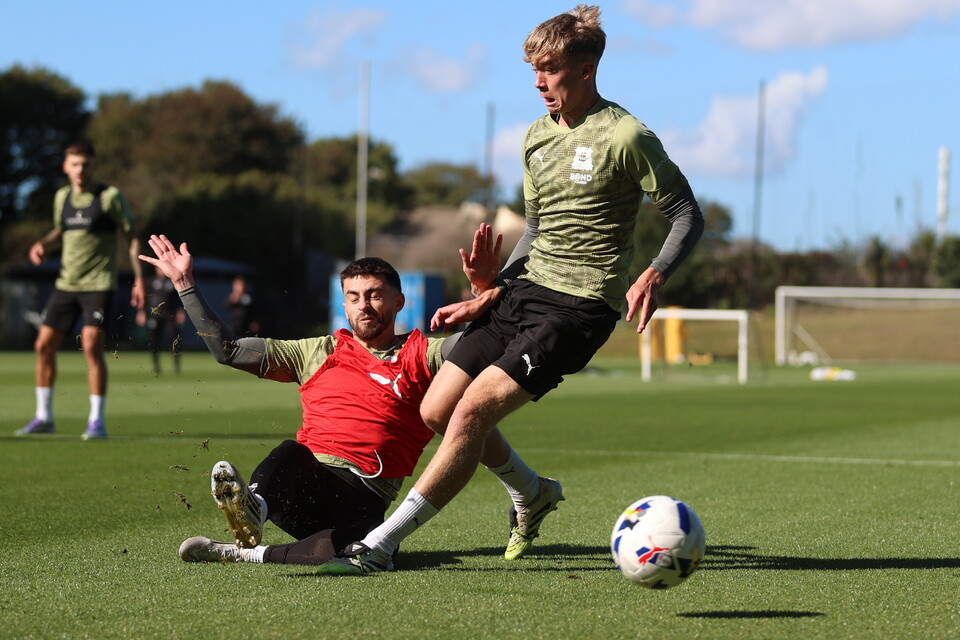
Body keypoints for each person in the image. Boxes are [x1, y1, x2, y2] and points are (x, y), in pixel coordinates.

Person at [318, 4, 704, 574]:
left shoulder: (626, 135)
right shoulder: (534, 138)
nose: (539, 82)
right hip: (523, 293)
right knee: (436, 410)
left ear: (587, 68)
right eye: (533, 70)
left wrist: (655, 271)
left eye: (549, 69)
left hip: (580, 305)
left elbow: (686, 213)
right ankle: (533, 491)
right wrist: (490, 291)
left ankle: (381, 543)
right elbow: (538, 228)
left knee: (472, 412)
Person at [139, 233, 553, 567]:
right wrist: (183, 285)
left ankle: (241, 553)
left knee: (345, 549)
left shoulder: (422, 355)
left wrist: (486, 288)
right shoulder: (317, 351)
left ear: (398, 301)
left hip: (366, 496)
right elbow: (227, 350)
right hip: (304, 483)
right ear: (343, 304)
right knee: (288, 454)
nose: (364, 305)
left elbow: (481, 345)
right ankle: (254, 509)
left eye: (374, 295)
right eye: (353, 297)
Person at [16, 140, 145, 440]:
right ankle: (44, 416)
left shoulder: (109, 197)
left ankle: (96, 421)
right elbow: (61, 229)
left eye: (85, 164)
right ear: (65, 167)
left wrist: (140, 278)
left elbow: (132, 236)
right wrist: (43, 244)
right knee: (42, 346)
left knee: (90, 346)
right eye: (74, 164)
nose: (80, 170)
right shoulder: (62, 197)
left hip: (98, 284)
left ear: (93, 166)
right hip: (66, 283)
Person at [136, 265, 185, 375]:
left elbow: (178, 298)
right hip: (155, 317)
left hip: (169, 316)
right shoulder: (151, 281)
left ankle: (176, 366)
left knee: (174, 340)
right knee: (154, 342)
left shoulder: (172, 282)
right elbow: (145, 299)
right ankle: (156, 366)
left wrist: (180, 312)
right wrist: (141, 312)